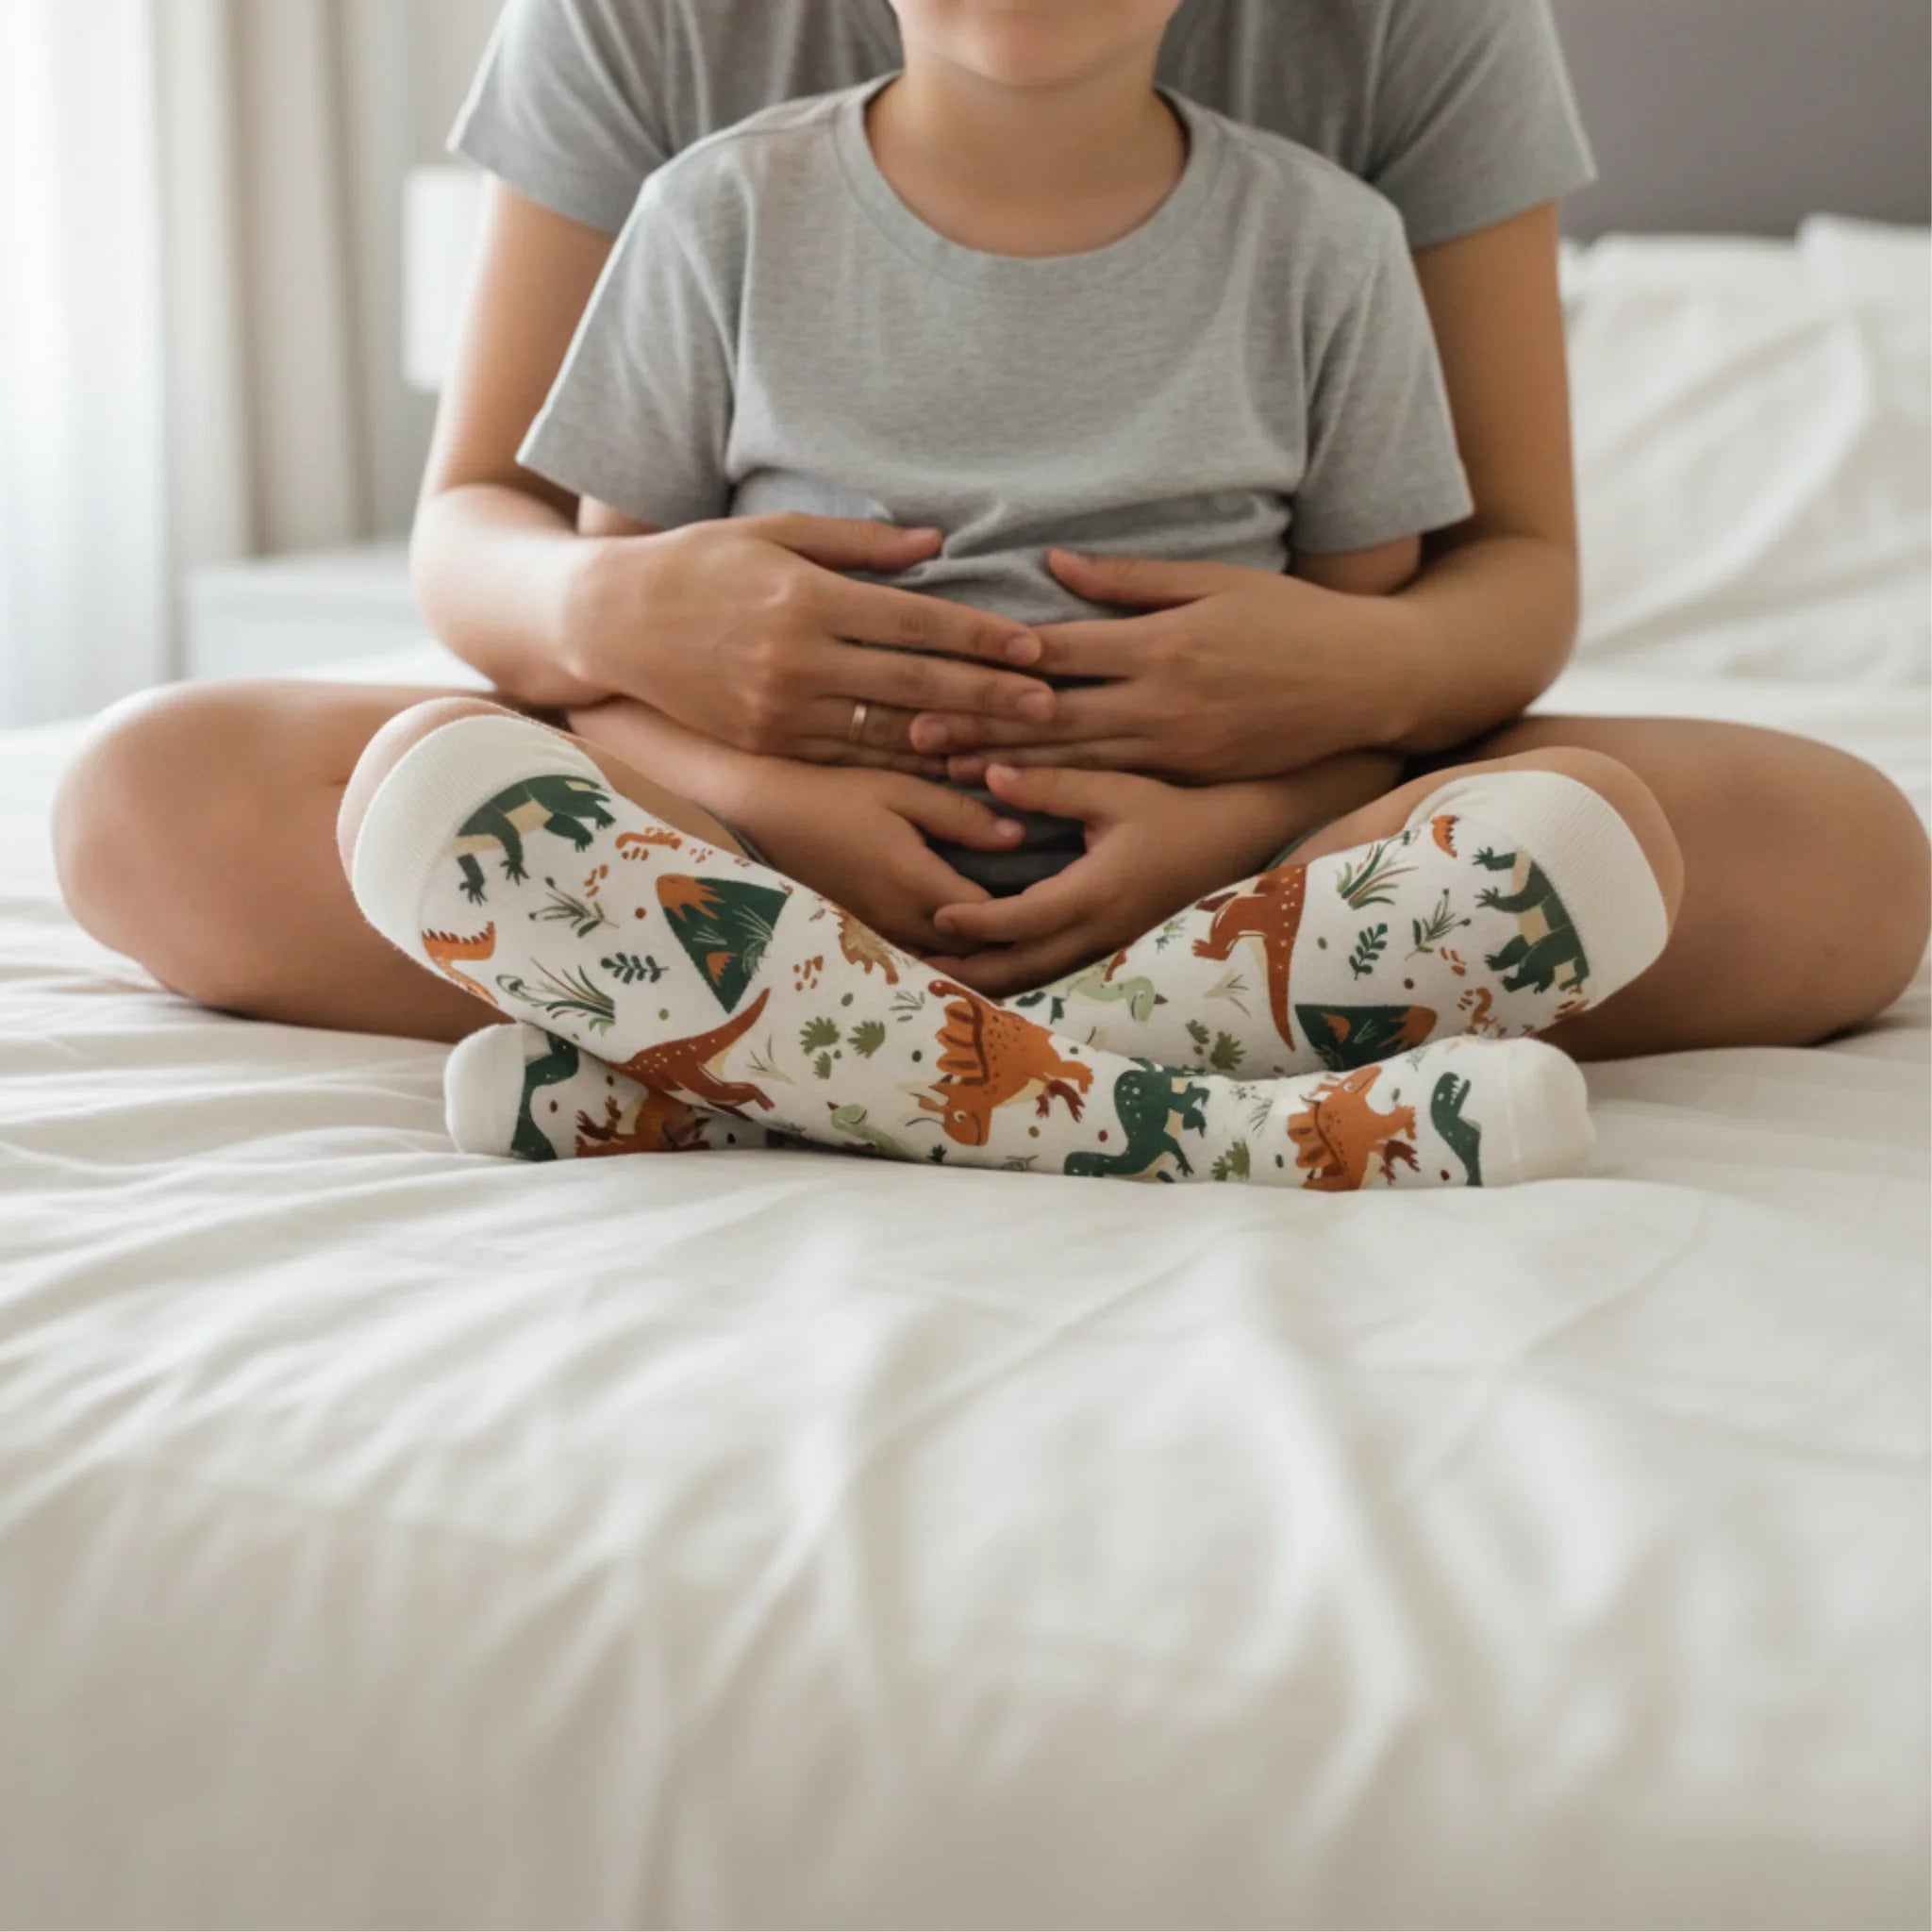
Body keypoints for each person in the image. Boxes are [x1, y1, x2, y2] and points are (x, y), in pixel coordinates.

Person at [55, 0, 1929, 1080]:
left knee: (1834, 866)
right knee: (152, 799)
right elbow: (486, 539)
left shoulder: (1334, 206)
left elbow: (1498, 578)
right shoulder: (713, 195)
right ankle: (1115, 1046)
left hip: (1236, 840)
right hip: (745, 823)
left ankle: (784, 1042)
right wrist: (681, 689)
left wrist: (1268, 770)